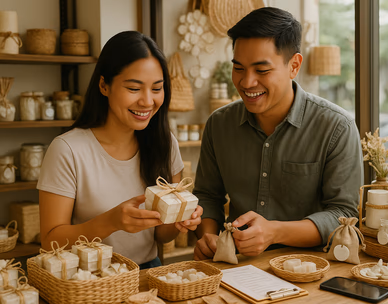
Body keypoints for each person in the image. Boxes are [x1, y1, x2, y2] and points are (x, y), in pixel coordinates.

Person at [193, 7, 363, 260]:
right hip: (237, 266)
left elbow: (343, 215)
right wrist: (207, 235)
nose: (247, 82)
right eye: (238, 68)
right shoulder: (219, 124)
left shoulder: (337, 127)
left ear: (294, 65)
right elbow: (207, 195)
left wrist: (275, 232)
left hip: (310, 269)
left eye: (261, 71)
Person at [38, 31, 202, 269]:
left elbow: (161, 236)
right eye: (134, 88)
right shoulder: (67, 150)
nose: (147, 101)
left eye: (157, 89)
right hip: (89, 281)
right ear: (104, 85)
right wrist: (111, 222)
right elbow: (49, 241)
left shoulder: (164, 143)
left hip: (147, 272)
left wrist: (180, 219)